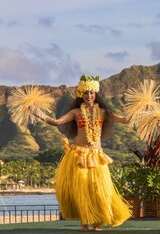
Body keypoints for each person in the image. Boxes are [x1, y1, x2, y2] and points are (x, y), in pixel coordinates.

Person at [32, 74, 131, 232]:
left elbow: (125, 120)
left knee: (100, 189)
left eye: (92, 93)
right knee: (82, 190)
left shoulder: (104, 113)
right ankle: (84, 223)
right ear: (80, 94)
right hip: (79, 155)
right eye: (86, 93)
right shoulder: (76, 112)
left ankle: (98, 221)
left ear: (96, 94)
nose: (89, 96)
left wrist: (141, 110)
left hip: (97, 156)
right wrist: (40, 114)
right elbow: (57, 122)